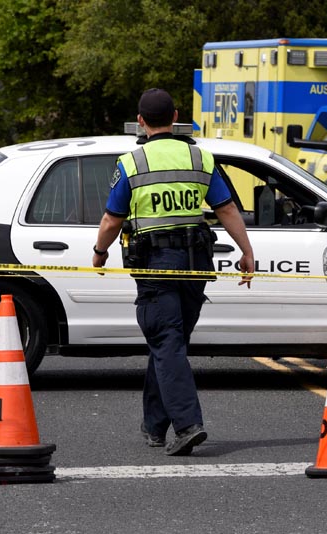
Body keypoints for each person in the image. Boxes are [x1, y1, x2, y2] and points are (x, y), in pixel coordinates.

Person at [92, 88, 255, 456]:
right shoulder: (201, 158)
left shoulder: (132, 163)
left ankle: (187, 425)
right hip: (196, 266)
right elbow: (227, 209)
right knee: (170, 345)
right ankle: (154, 427)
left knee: (167, 343)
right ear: (176, 116)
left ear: (140, 121)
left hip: (156, 267)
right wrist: (247, 251)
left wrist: (100, 252)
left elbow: (111, 219)